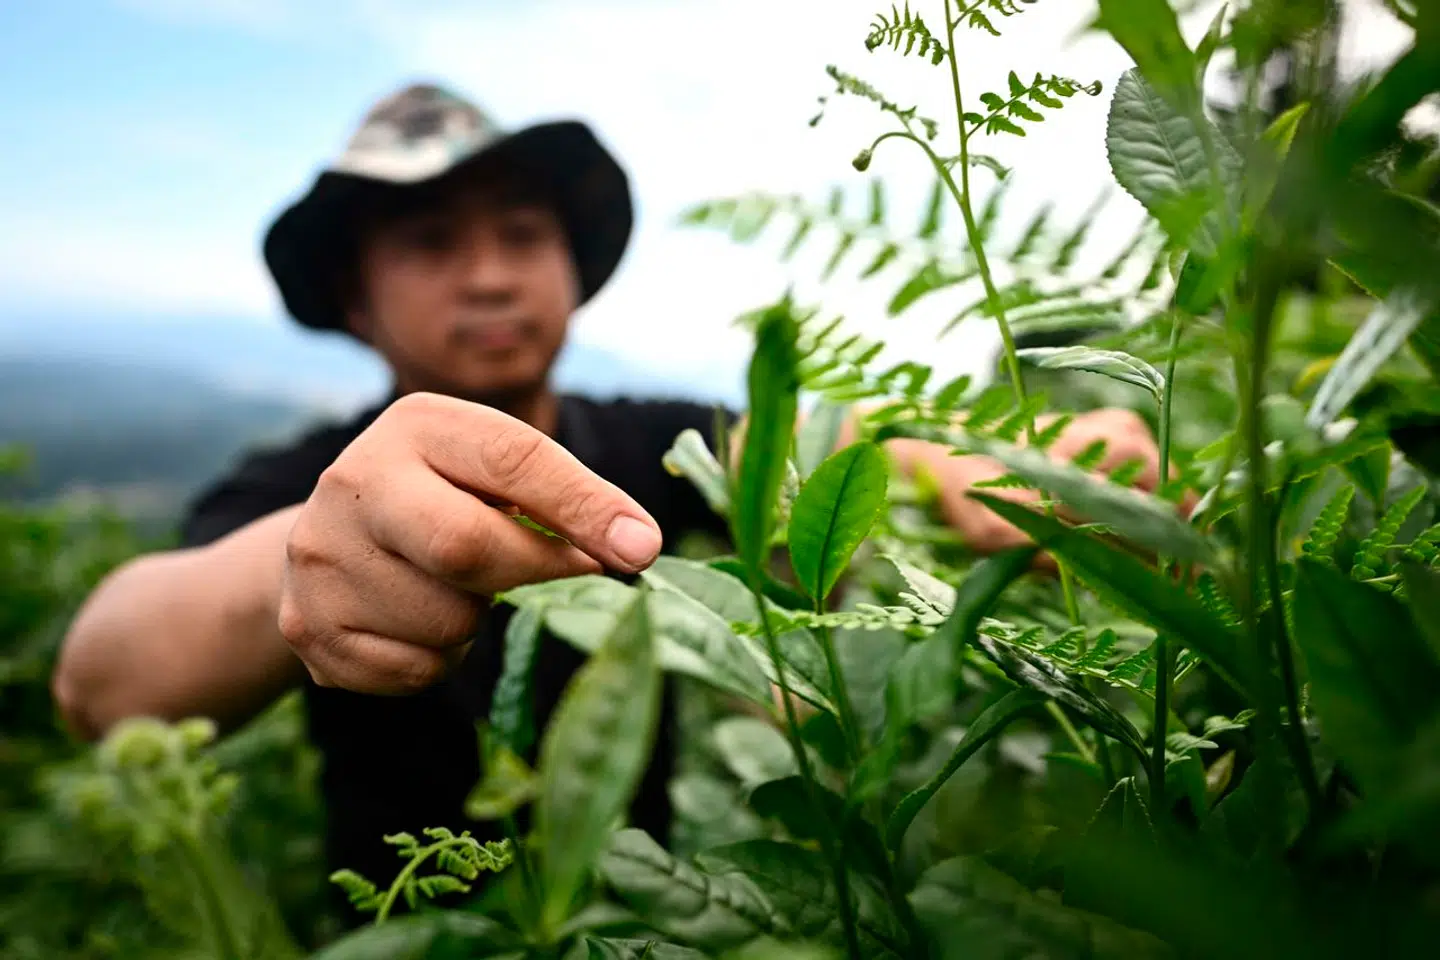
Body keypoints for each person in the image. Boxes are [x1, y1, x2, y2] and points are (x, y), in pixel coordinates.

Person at [51, 82, 1169, 911]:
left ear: (570, 272)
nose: (488, 273)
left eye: (523, 235)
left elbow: (836, 444)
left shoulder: (646, 442)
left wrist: (1010, 462)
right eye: (431, 241)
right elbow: (105, 684)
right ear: (355, 297)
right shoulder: (297, 481)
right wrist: (304, 551)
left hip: (646, 921)